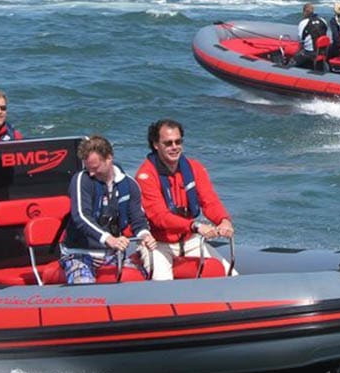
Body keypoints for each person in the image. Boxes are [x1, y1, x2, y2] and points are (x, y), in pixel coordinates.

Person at [135, 119, 236, 281]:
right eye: (168, 143)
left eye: (178, 141)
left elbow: (209, 201)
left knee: (232, 276)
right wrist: (195, 226)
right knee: (163, 285)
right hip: (159, 244)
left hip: (190, 240)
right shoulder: (145, 176)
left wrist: (224, 221)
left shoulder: (194, 168)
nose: (174, 147)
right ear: (156, 145)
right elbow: (160, 217)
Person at [60, 135, 157, 284]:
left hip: (112, 255)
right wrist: (108, 239)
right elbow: (81, 216)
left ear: (109, 158)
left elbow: (138, 220)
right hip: (80, 253)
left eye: (95, 168)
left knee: (141, 278)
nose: (91, 173)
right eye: (88, 168)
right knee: (83, 284)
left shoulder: (129, 185)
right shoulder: (81, 180)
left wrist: (145, 236)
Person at [291, 3, 331, 69]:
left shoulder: (303, 23)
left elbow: (300, 39)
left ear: (304, 12)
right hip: (322, 51)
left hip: (309, 53)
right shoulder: (323, 21)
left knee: (294, 59)